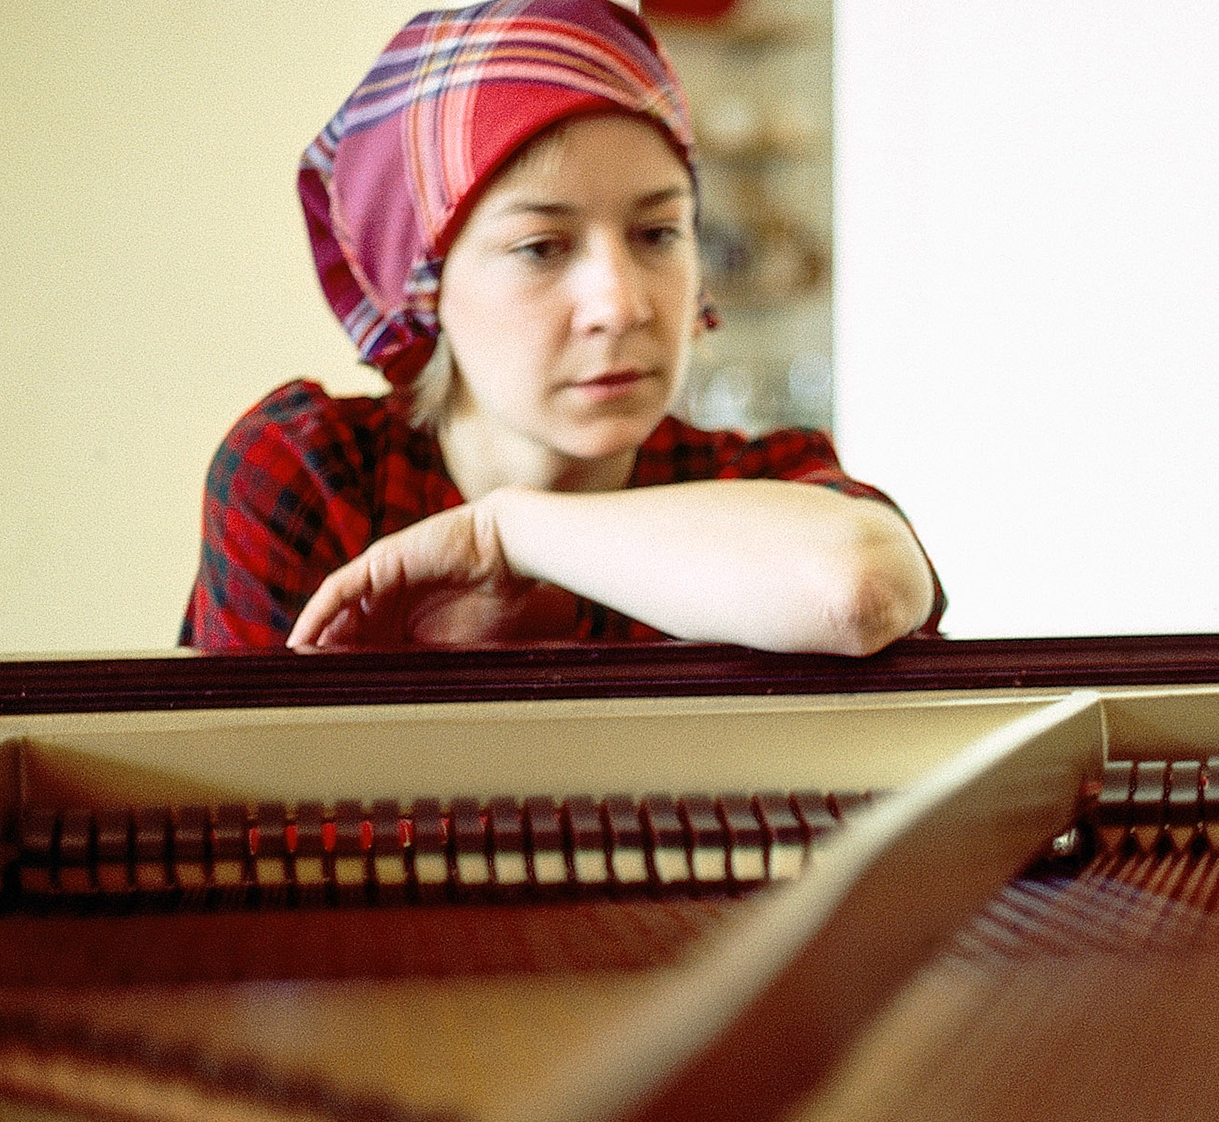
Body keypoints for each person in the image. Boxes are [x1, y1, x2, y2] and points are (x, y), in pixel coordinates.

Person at [180, 0, 941, 654]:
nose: (622, 305)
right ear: (424, 283)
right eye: (541, 248)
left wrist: (505, 535)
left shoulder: (754, 485)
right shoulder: (318, 479)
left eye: (657, 234)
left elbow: (860, 590)